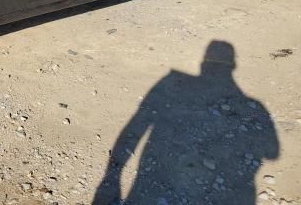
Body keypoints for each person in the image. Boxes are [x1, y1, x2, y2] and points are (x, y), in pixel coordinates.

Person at [93, 40, 279, 205]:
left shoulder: (171, 82)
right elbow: (272, 153)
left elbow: (136, 124)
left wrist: (113, 174)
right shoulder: (254, 106)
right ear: (233, 65)